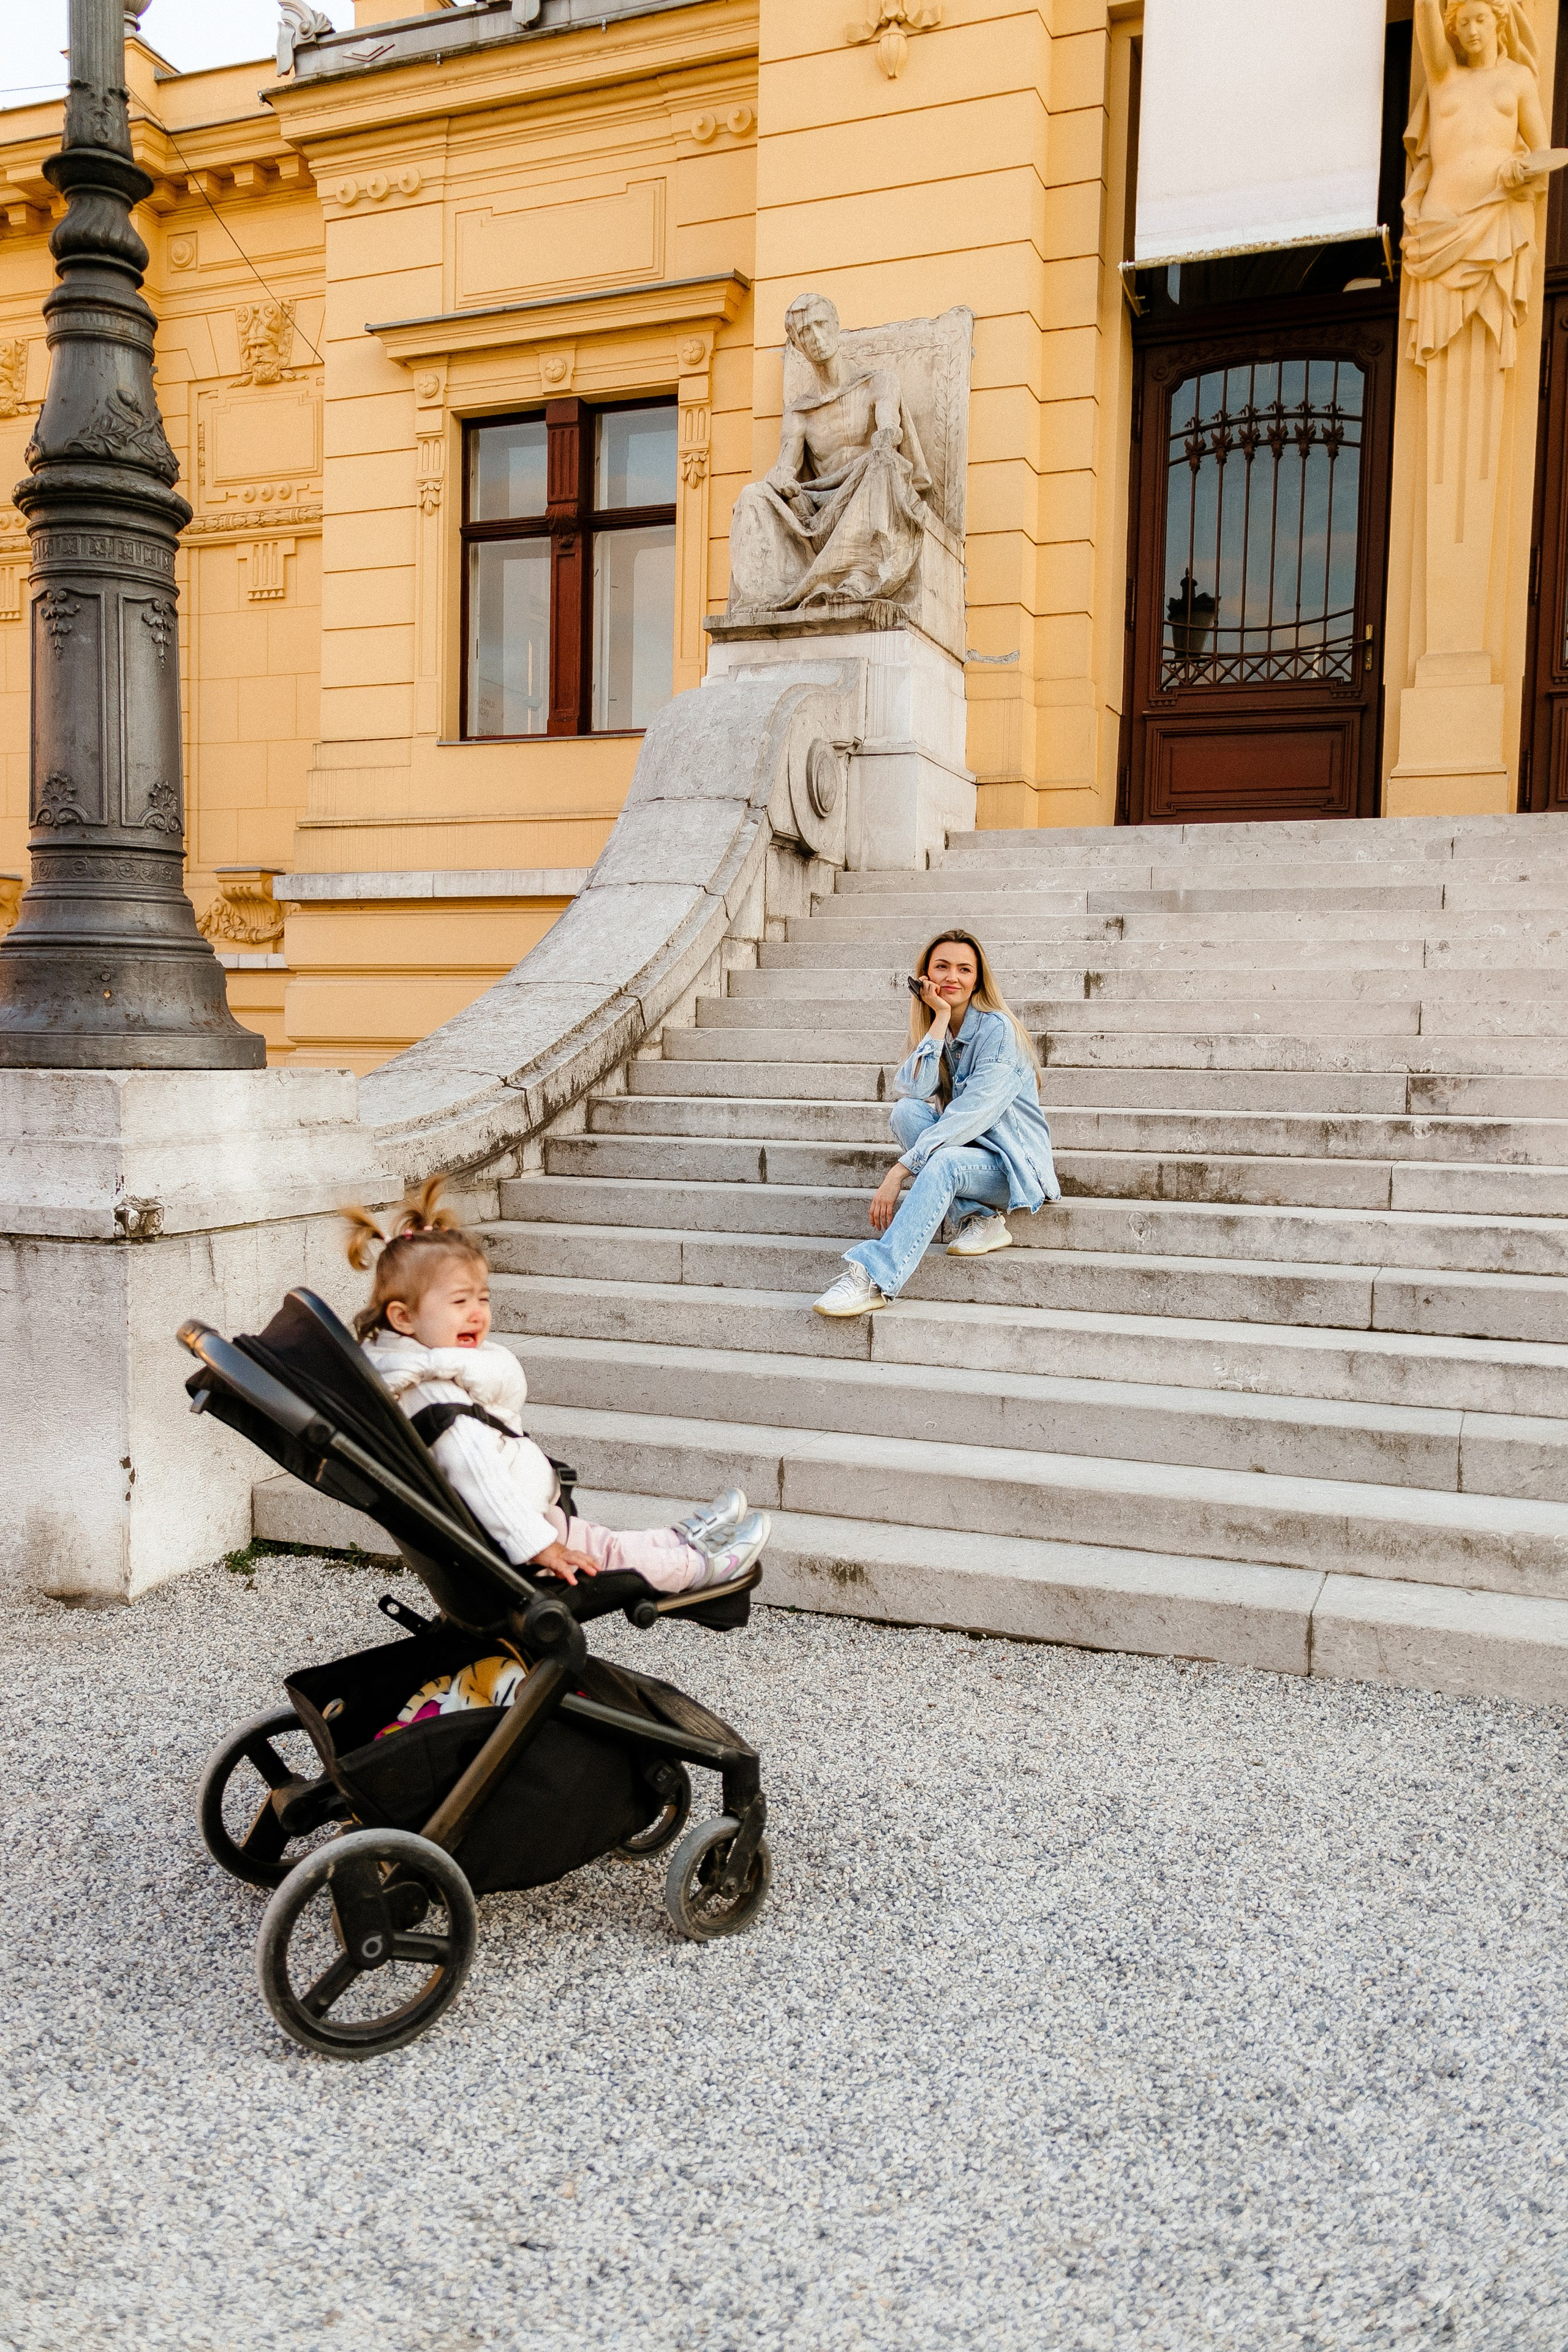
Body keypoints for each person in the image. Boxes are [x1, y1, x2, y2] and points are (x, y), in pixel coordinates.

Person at [344, 1180, 769, 1593]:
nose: (477, 1313)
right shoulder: (431, 1393)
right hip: (516, 1540)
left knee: (606, 1544)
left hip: (522, 1520)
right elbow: (478, 1476)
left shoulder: (418, 1369)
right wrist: (539, 1546)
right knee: (614, 1562)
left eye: (483, 1298)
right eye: (460, 1302)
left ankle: (682, 1538)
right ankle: (696, 1564)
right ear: (403, 1318)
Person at [813, 930, 1060, 1318]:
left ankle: (875, 1277)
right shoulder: (945, 1028)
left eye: (965, 969)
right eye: (941, 967)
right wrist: (939, 1019)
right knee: (906, 1112)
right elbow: (911, 1088)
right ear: (925, 976)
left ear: (978, 980)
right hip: (973, 1155)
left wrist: (901, 1169)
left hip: (1012, 1168)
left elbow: (972, 1113)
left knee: (943, 1162)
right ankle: (978, 1218)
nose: (952, 978)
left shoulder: (998, 1031)